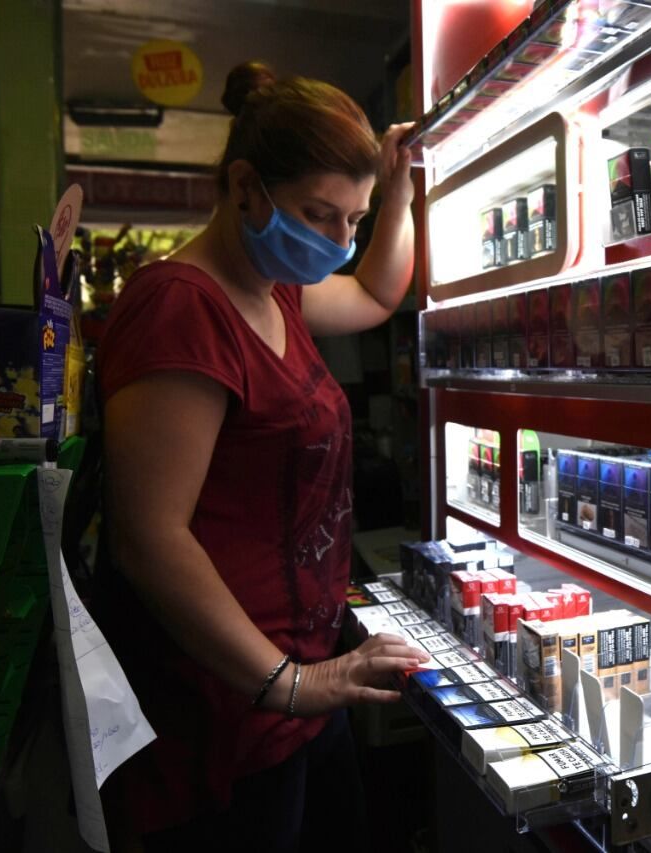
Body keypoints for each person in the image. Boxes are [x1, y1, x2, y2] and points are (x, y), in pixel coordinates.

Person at [95, 61, 427, 852]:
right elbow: (151, 537)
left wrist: (400, 194)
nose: (342, 242)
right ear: (245, 186)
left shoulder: (275, 286)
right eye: (322, 215)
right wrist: (295, 682)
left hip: (300, 697)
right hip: (225, 716)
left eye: (355, 219)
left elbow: (381, 293)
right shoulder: (182, 306)